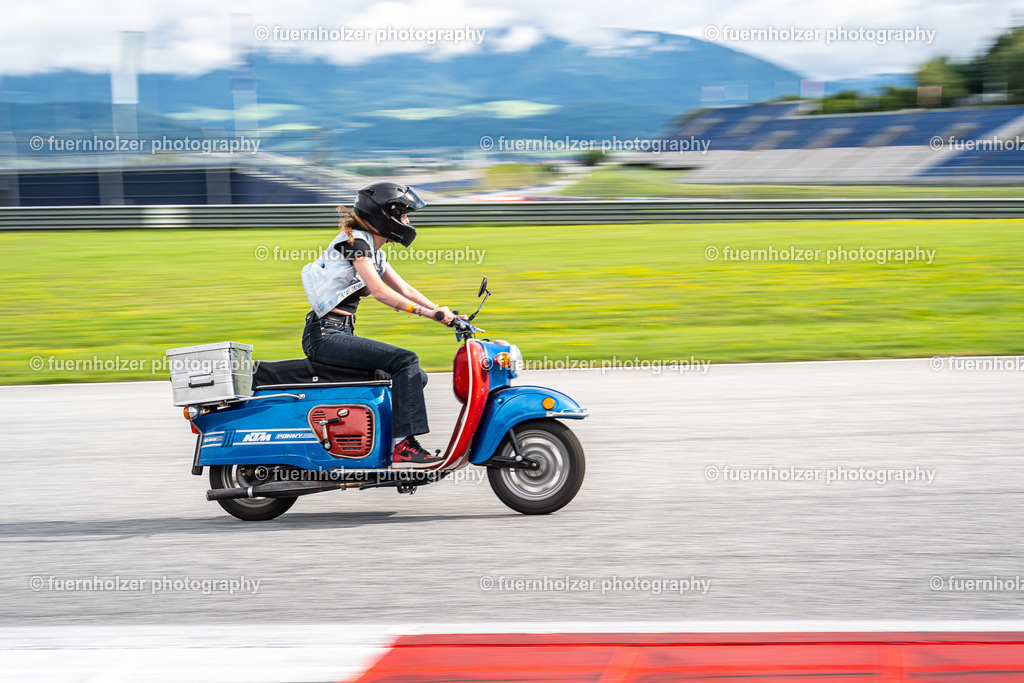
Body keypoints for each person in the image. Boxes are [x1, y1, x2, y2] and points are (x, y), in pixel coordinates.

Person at [300, 181, 458, 468]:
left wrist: (443, 312)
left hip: (339, 332)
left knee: (415, 377)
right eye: (403, 214)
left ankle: (380, 444)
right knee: (405, 360)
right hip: (324, 335)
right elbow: (380, 292)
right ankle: (403, 445)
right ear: (385, 216)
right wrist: (426, 313)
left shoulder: (374, 251)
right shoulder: (355, 244)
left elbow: (404, 288)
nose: (407, 221)